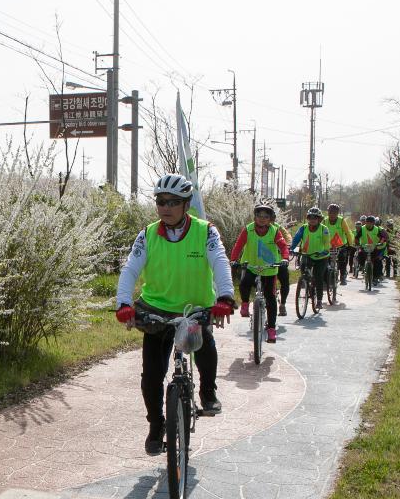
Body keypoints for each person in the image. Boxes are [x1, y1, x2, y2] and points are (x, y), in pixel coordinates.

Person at [115, 174, 235, 454]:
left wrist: (225, 296)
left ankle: (207, 392)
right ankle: (156, 425)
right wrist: (123, 304)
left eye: (173, 202)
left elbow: (219, 261)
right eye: (160, 201)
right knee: (152, 376)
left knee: (204, 344)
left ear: (187, 204)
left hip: (194, 310)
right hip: (155, 310)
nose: (165, 207)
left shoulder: (206, 231)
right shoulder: (147, 234)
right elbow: (130, 269)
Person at [230, 204, 291, 343]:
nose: (262, 219)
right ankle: (245, 304)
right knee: (244, 285)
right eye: (259, 216)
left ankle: (271, 330)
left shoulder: (275, 231)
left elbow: (283, 246)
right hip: (251, 266)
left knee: (270, 298)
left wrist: (284, 258)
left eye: (266, 217)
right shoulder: (248, 229)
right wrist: (233, 259)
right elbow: (238, 245)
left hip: (269, 268)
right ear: (255, 217)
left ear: (270, 219)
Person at [290, 207, 342, 307]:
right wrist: (292, 248)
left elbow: (327, 244)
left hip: (321, 257)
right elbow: (296, 239)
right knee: (304, 273)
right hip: (307, 255)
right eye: (310, 218)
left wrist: (324, 251)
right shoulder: (303, 228)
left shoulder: (324, 229)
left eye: (315, 218)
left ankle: (318, 300)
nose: (312, 220)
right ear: (308, 218)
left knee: (318, 277)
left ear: (319, 219)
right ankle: (307, 285)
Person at [321, 203, 354, 285]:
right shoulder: (324, 221)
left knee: (342, 259)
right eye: (330, 212)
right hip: (328, 246)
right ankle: (326, 279)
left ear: (337, 213)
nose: (332, 215)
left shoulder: (341, 221)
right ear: (328, 213)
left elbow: (348, 233)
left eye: (334, 213)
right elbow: (320, 233)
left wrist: (350, 245)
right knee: (325, 261)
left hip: (340, 245)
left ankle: (343, 276)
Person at [355, 214, 387, 280]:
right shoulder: (362, 228)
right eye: (367, 222)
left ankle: (376, 277)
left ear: (373, 223)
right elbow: (357, 237)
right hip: (364, 247)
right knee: (360, 255)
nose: (369, 224)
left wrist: (380, 243)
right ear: (365, 222)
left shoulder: (377, 229)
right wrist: (358, 244)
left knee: (377, 261)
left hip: (374, 248)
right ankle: (363, 266)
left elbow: (382, 237)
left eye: (371, 223)